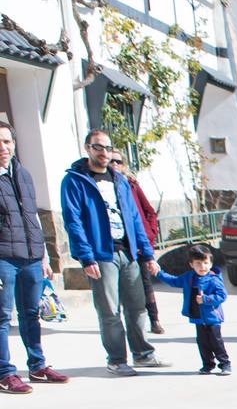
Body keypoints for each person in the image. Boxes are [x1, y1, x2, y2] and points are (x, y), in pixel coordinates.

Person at [61, 130, 166, 375]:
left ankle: (143, 354)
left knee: (137, 306)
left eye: (108, 148)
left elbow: (134, 218)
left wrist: (147, 253)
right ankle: (117, 358)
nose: (104, 153)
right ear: (87, 148)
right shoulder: (75, 180)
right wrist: (86, 256)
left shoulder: (119, 180)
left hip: (128, 252)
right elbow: (73, 221)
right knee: (109, 310)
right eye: (98, 147)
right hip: (101, 253)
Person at [0, 122, 68, 394]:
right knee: (2, 317)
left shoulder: (23, 174)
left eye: (6, 141)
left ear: (14, 143)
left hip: (30, 257)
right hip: (3, 258)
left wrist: (43, 256)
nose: (3, 148)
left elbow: (33, 216)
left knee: (31, 314)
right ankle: (4, 372)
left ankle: (37, 366)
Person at [112, 150, 165, 334]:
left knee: (145, 283)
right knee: (121, 287)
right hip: (119, 244)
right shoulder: (101, 187)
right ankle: (126, 324)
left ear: (123, 164)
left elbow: (149, 211)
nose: (114, 165)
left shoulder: (131, 185)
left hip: (140, 244)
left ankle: (154, 319)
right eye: (111, 161)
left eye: (118, 161)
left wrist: (150, 234)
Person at [158, 243, 230, 374]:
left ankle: (225, 364)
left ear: (210, 263)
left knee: (216, 342)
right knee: (202, 343)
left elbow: (222, 295)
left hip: (212, 317)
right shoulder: (189, 277)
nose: (202, 267)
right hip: (197, 317)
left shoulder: (213, 279)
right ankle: (208, 365)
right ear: (191, 264)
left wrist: (206, 299)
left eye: (205, 263)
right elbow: (174, 281)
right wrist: (159, 273)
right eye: (198, 263)